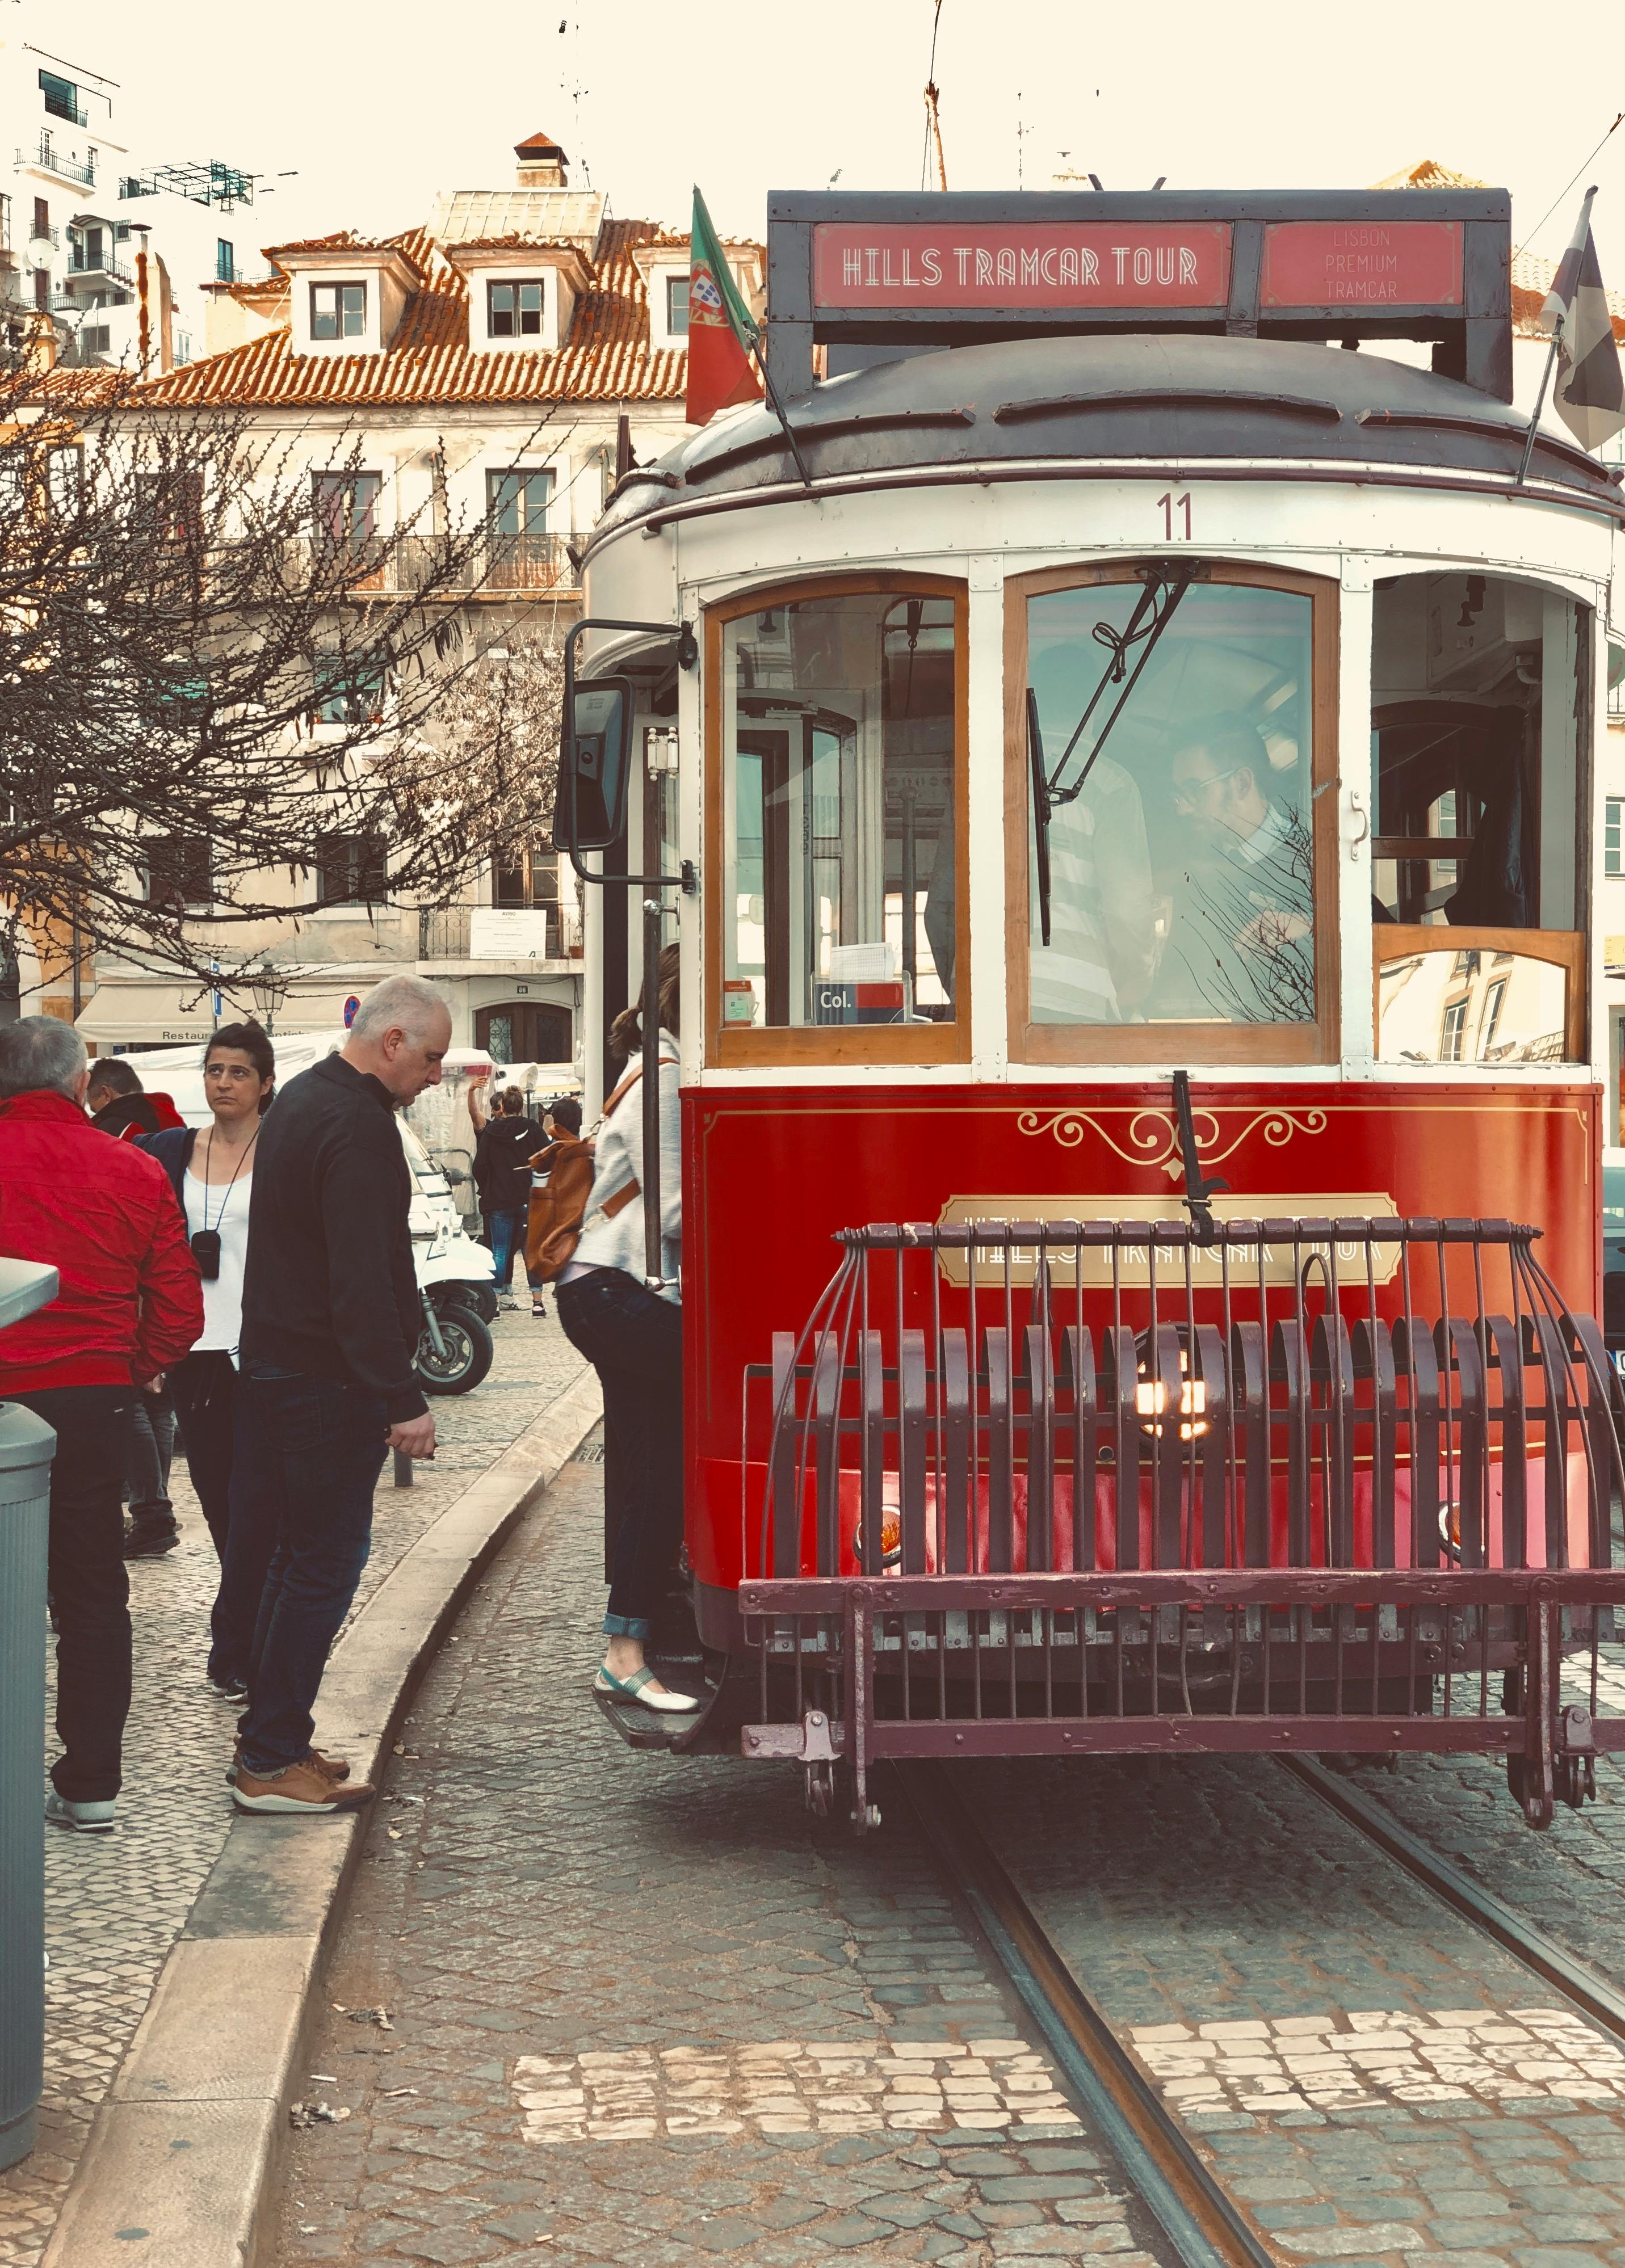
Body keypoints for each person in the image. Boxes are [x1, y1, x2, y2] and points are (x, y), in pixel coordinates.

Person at [225, 977, 449, 1815]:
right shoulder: (356, 1126)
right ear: (391, 1041)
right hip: (325, 1380)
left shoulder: (306, 1100)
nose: (434, 1074)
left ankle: (272, 1739)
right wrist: (402, 1397)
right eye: (428, 1057)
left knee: (297, 1560)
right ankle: (268, 1758)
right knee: (323, 1565)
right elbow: (358, 1280)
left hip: (284, 1366)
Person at [0, 1017, 202, 1832]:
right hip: (91, 1395)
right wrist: (128, 1361)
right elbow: (182, 1308)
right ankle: (90, 1783)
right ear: (80, 1085)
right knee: (88, 1592)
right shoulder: (130, 1167)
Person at [555, 946, 695, 1714]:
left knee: (649, 1464)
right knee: (665, 1453)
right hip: (613, 1290)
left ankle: (628, 1645)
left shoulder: (653, 1064)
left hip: (605, 1290)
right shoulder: (666, 1077)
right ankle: (632, 1637)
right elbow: (674, 1211)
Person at [139, 1023, 275, 1699]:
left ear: (265, 1084)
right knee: (220, 1505)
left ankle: (240, 1647)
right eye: (215, 1070)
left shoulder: (282, 1150)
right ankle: (249, 1638)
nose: (223, 1083)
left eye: (238, 1072)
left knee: (258, 1505)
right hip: (193, 1351)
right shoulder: (169, 1151)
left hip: (264, 1352)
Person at [1169, 716, 1315, 1024]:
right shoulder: (1194, 870)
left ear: (1241, 783)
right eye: (1180, 794)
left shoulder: (1318, 858)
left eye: (1195, 790)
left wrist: (1313, 931)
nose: (1182, 808)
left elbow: (1374, 943)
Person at [471, 1080, 548, 1315]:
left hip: (499, 1200)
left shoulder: (491, 1132)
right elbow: (546, 1158)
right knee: (530, 1250)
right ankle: (537, 1303)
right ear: (522, 1107)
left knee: (501, 1251)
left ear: (502, 1107)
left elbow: (479, 1166)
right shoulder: (533, 1129)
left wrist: (489, 1187)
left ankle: (494, 1304)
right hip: (528, 1199)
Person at [520, 1095, 583, 1320]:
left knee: (537, 1250)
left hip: (551, 1214)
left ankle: (537, 1301)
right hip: (578, 1217)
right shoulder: (585, 1149)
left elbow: (539, 1184)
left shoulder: (549, 1151)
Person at [86, 1057, 184, 1141]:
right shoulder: (177, 1123)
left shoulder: (110, 1132)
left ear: (106, 1094)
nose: (97, 1116)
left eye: (95, 1110)